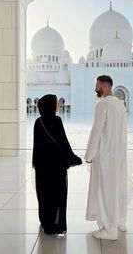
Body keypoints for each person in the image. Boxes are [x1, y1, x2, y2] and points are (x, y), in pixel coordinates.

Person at [85, 75, 127, 241]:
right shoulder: (120, 105)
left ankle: (110, 230)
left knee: (105, 191)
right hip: (118, 155)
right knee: (118, 187)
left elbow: (96, 131)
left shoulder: (103, 104)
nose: (96, 89)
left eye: (97, 86)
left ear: (104, 86)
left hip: (105, 156)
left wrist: (89, 155)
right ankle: (119, 222)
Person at [32, 94, 82, 235]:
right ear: (51, 105)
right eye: (56, 102)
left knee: (44, 194)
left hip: (42, 167)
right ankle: (55, 224)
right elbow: (63, 143)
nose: (59, 104)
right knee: (57, 194)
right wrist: (73, 158)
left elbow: (37, 147)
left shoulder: (38, 121)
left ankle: (46, 222)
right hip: (56, 167)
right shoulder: (57, 120)